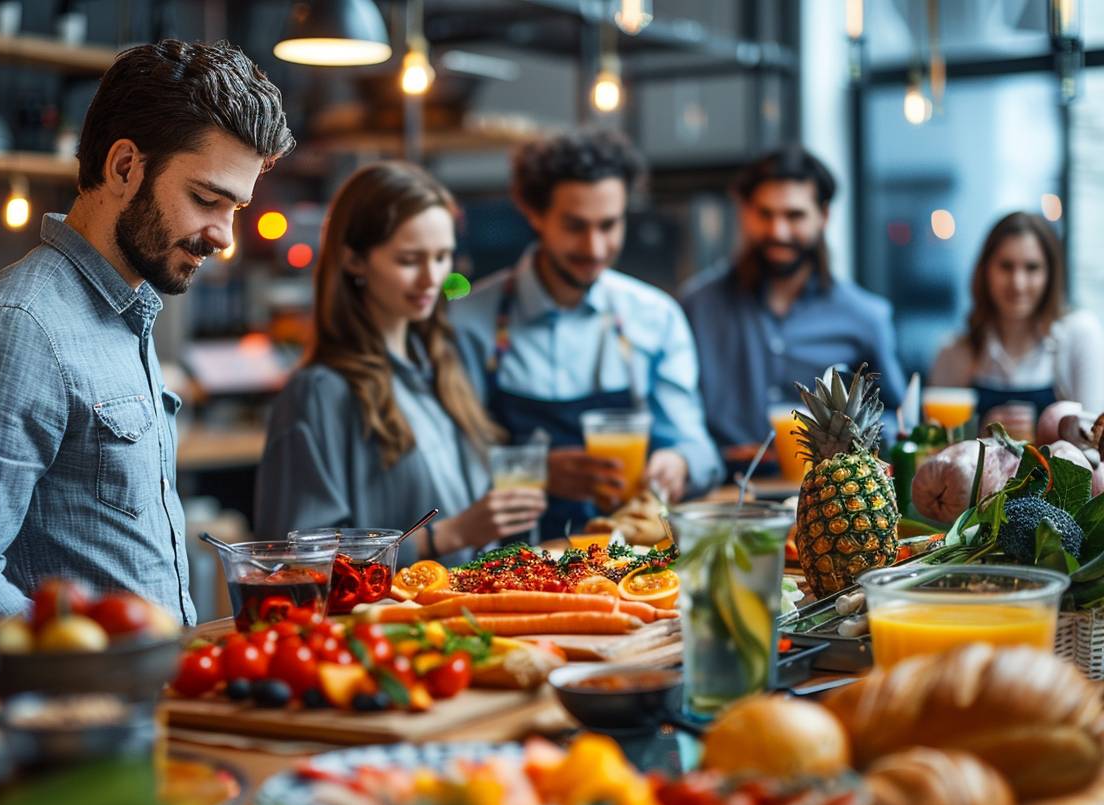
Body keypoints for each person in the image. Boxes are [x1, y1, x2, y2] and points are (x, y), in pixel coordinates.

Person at [0, 40, 294, 622]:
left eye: (233, 208)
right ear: (124, 168)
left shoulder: (127, 313)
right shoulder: (18, 332)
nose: (224, 236)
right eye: (207, 199)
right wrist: (103, 659)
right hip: (88, 704)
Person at [254, 162, 546, 566]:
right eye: (410, 260)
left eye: (442, 256)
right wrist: (449, 535)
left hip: (464, 618)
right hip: (384, 626)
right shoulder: (319, 392)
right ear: (354, 260)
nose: (432, 278)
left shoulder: (442, 367)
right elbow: (296, 560)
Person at [451, 129, 721, 538]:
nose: (595, 248)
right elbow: (448, 466)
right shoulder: (468, 323)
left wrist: (679, 463)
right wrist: (534, 471)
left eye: (609, 225)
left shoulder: (655, 317)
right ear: (533, 212)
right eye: (575, 226)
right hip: (510, 559)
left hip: (624, 558)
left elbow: (699, 448)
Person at [680, 147, 906, 464]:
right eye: (765, 214)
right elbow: (675, 416)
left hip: (831, 498)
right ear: (745, 212)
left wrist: (844, 446)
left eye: (794, 215)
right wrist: (714, 455)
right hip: (722, 496)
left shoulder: (865, 316)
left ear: (823, 216)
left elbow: (900, 420)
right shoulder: (696, 306)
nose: (778, 231)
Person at [930, 211, 1104, 424]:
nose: (1018, 283)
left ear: (1050, 275)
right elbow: (936, 446)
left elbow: (1096, 442)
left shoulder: (1079, 334)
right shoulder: (955, 352)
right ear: (985, 271)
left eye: (1032, 268)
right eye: (1006, 266)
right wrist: (982, 433)